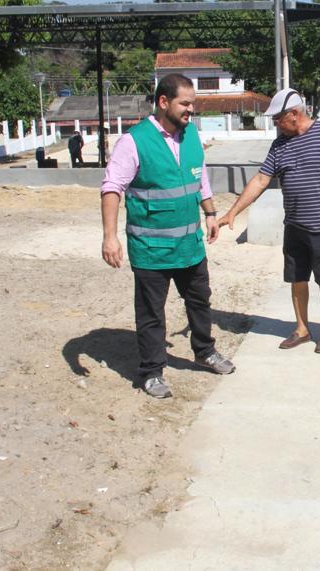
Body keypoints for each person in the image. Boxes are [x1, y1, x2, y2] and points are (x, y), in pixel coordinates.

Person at [100, 73, 235, 399]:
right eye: (185, 103)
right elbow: (112, 188)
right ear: (163, 102)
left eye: (193, 104)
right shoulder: (133, 142)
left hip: (190, 245)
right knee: (151, 314)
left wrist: (211, 212)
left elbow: (198, 174)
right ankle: (151, 371)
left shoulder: (191, 136)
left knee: (200, 302)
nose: (191, 110)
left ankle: (204, 352)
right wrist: (109, 237)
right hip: (151, 249)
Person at [219, 88, 320, 354]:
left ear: (295, 114)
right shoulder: (279, 145)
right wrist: (233, 211)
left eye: (278, 119)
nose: (275, 124)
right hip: (295, 227)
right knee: (297, 279)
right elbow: (261, 180)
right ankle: (302, 329)